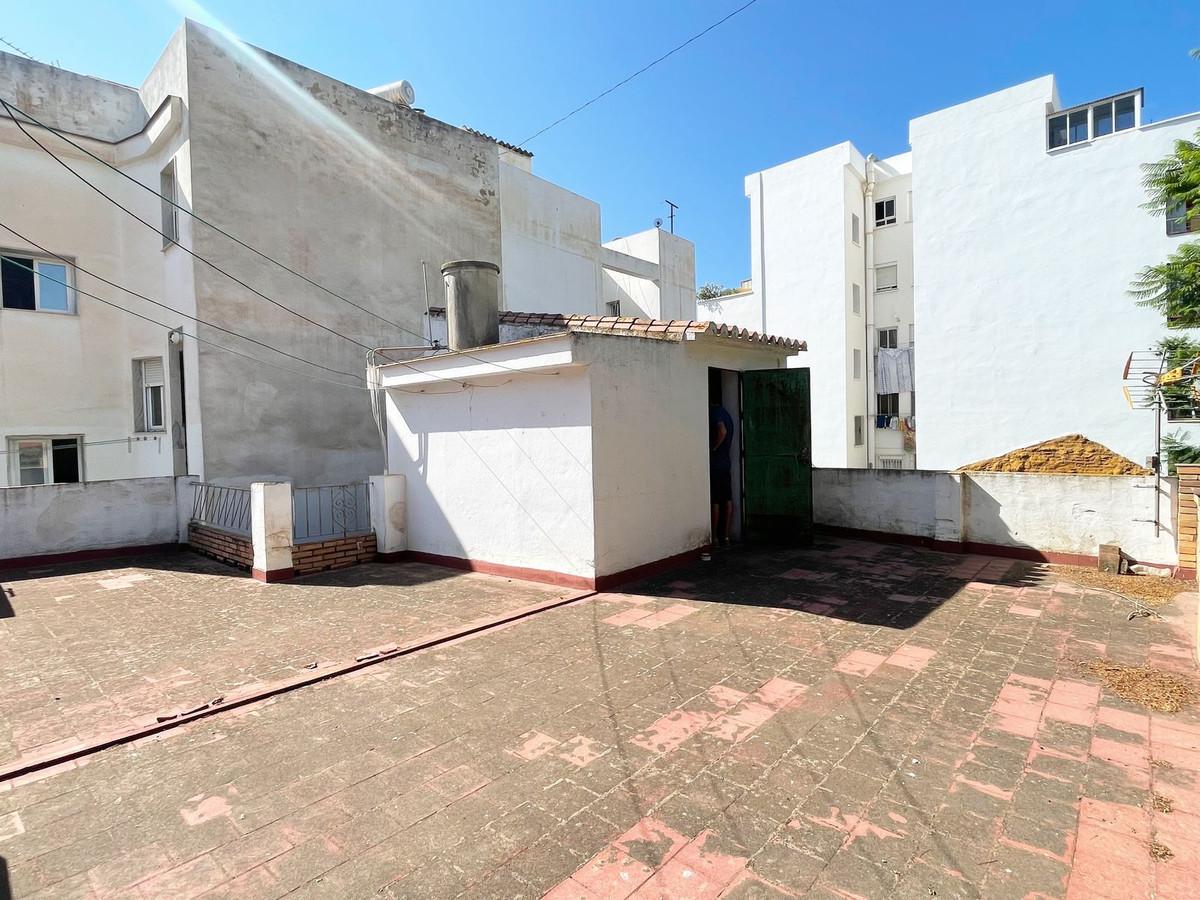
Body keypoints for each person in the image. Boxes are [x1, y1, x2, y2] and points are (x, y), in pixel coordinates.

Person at [709, 387, 735, 548]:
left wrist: (713, 448)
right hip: (726, 463)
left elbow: (722, 431)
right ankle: (725, 536)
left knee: (715, 501)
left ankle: (715, 538)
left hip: (716, 464)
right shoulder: (727, 414)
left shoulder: (715, 413)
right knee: (728, 499)